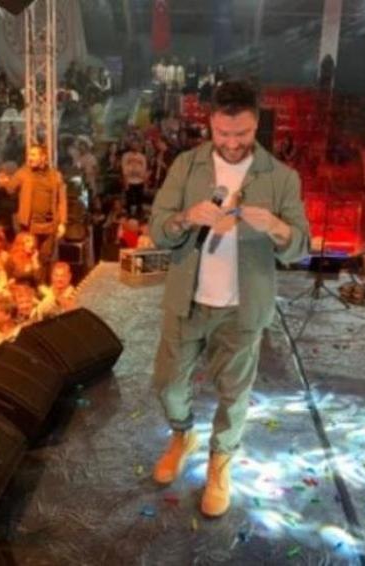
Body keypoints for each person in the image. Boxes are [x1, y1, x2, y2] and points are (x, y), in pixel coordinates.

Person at [148, 80, 310, 517]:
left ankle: (220, 461)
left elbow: (300, 247)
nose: (233, 143)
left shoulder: (281, 177)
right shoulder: (187, 166)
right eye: (223, 133)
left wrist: (275, 226)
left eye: (242, 133)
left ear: (257, 124)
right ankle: (183, 435)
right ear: (210, 124)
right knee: (168, 385)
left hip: (242, 309)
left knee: (234, 394)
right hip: (187, 301)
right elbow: (158, 229)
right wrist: (186, 217)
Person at [0, 145, 68, 273]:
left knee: (45, 258)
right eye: (29, 155)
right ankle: (31, 282)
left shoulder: (55, 175)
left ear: (43, 157)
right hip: (30, 225)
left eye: (34, 155)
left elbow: (62, 200)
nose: (30, 158)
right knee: (29, 257)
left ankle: (43, 281)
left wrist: (62, 222)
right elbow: (10, 188)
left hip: (49, 225)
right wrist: (4, 182)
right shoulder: (23, 173)